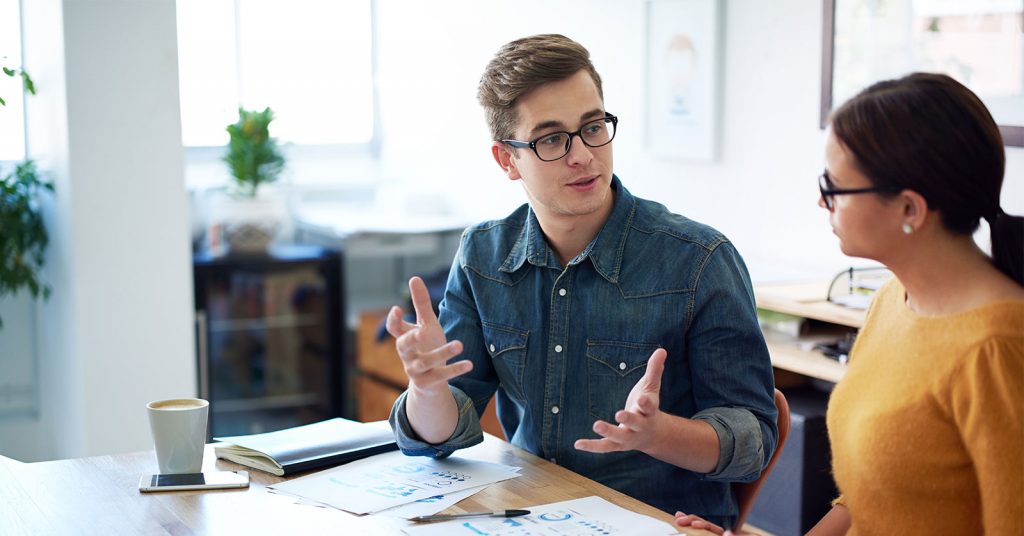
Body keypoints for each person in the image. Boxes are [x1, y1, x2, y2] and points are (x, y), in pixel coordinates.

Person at [384, 34, 778, 526]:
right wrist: (426, 390)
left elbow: (754, 440)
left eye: (593, 127)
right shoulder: (483, 254)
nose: (583, 155)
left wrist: (657, 434)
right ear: (507, 159)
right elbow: (442, 437)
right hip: (527, 514)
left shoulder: (699, 261)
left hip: (657, 521)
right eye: (551, 138)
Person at [676, 72, 1024, 535]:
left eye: (834, 187)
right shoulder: (891, 302)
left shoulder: (997, 349)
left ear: (909, 210)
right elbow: (867, 502)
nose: (823, 202)